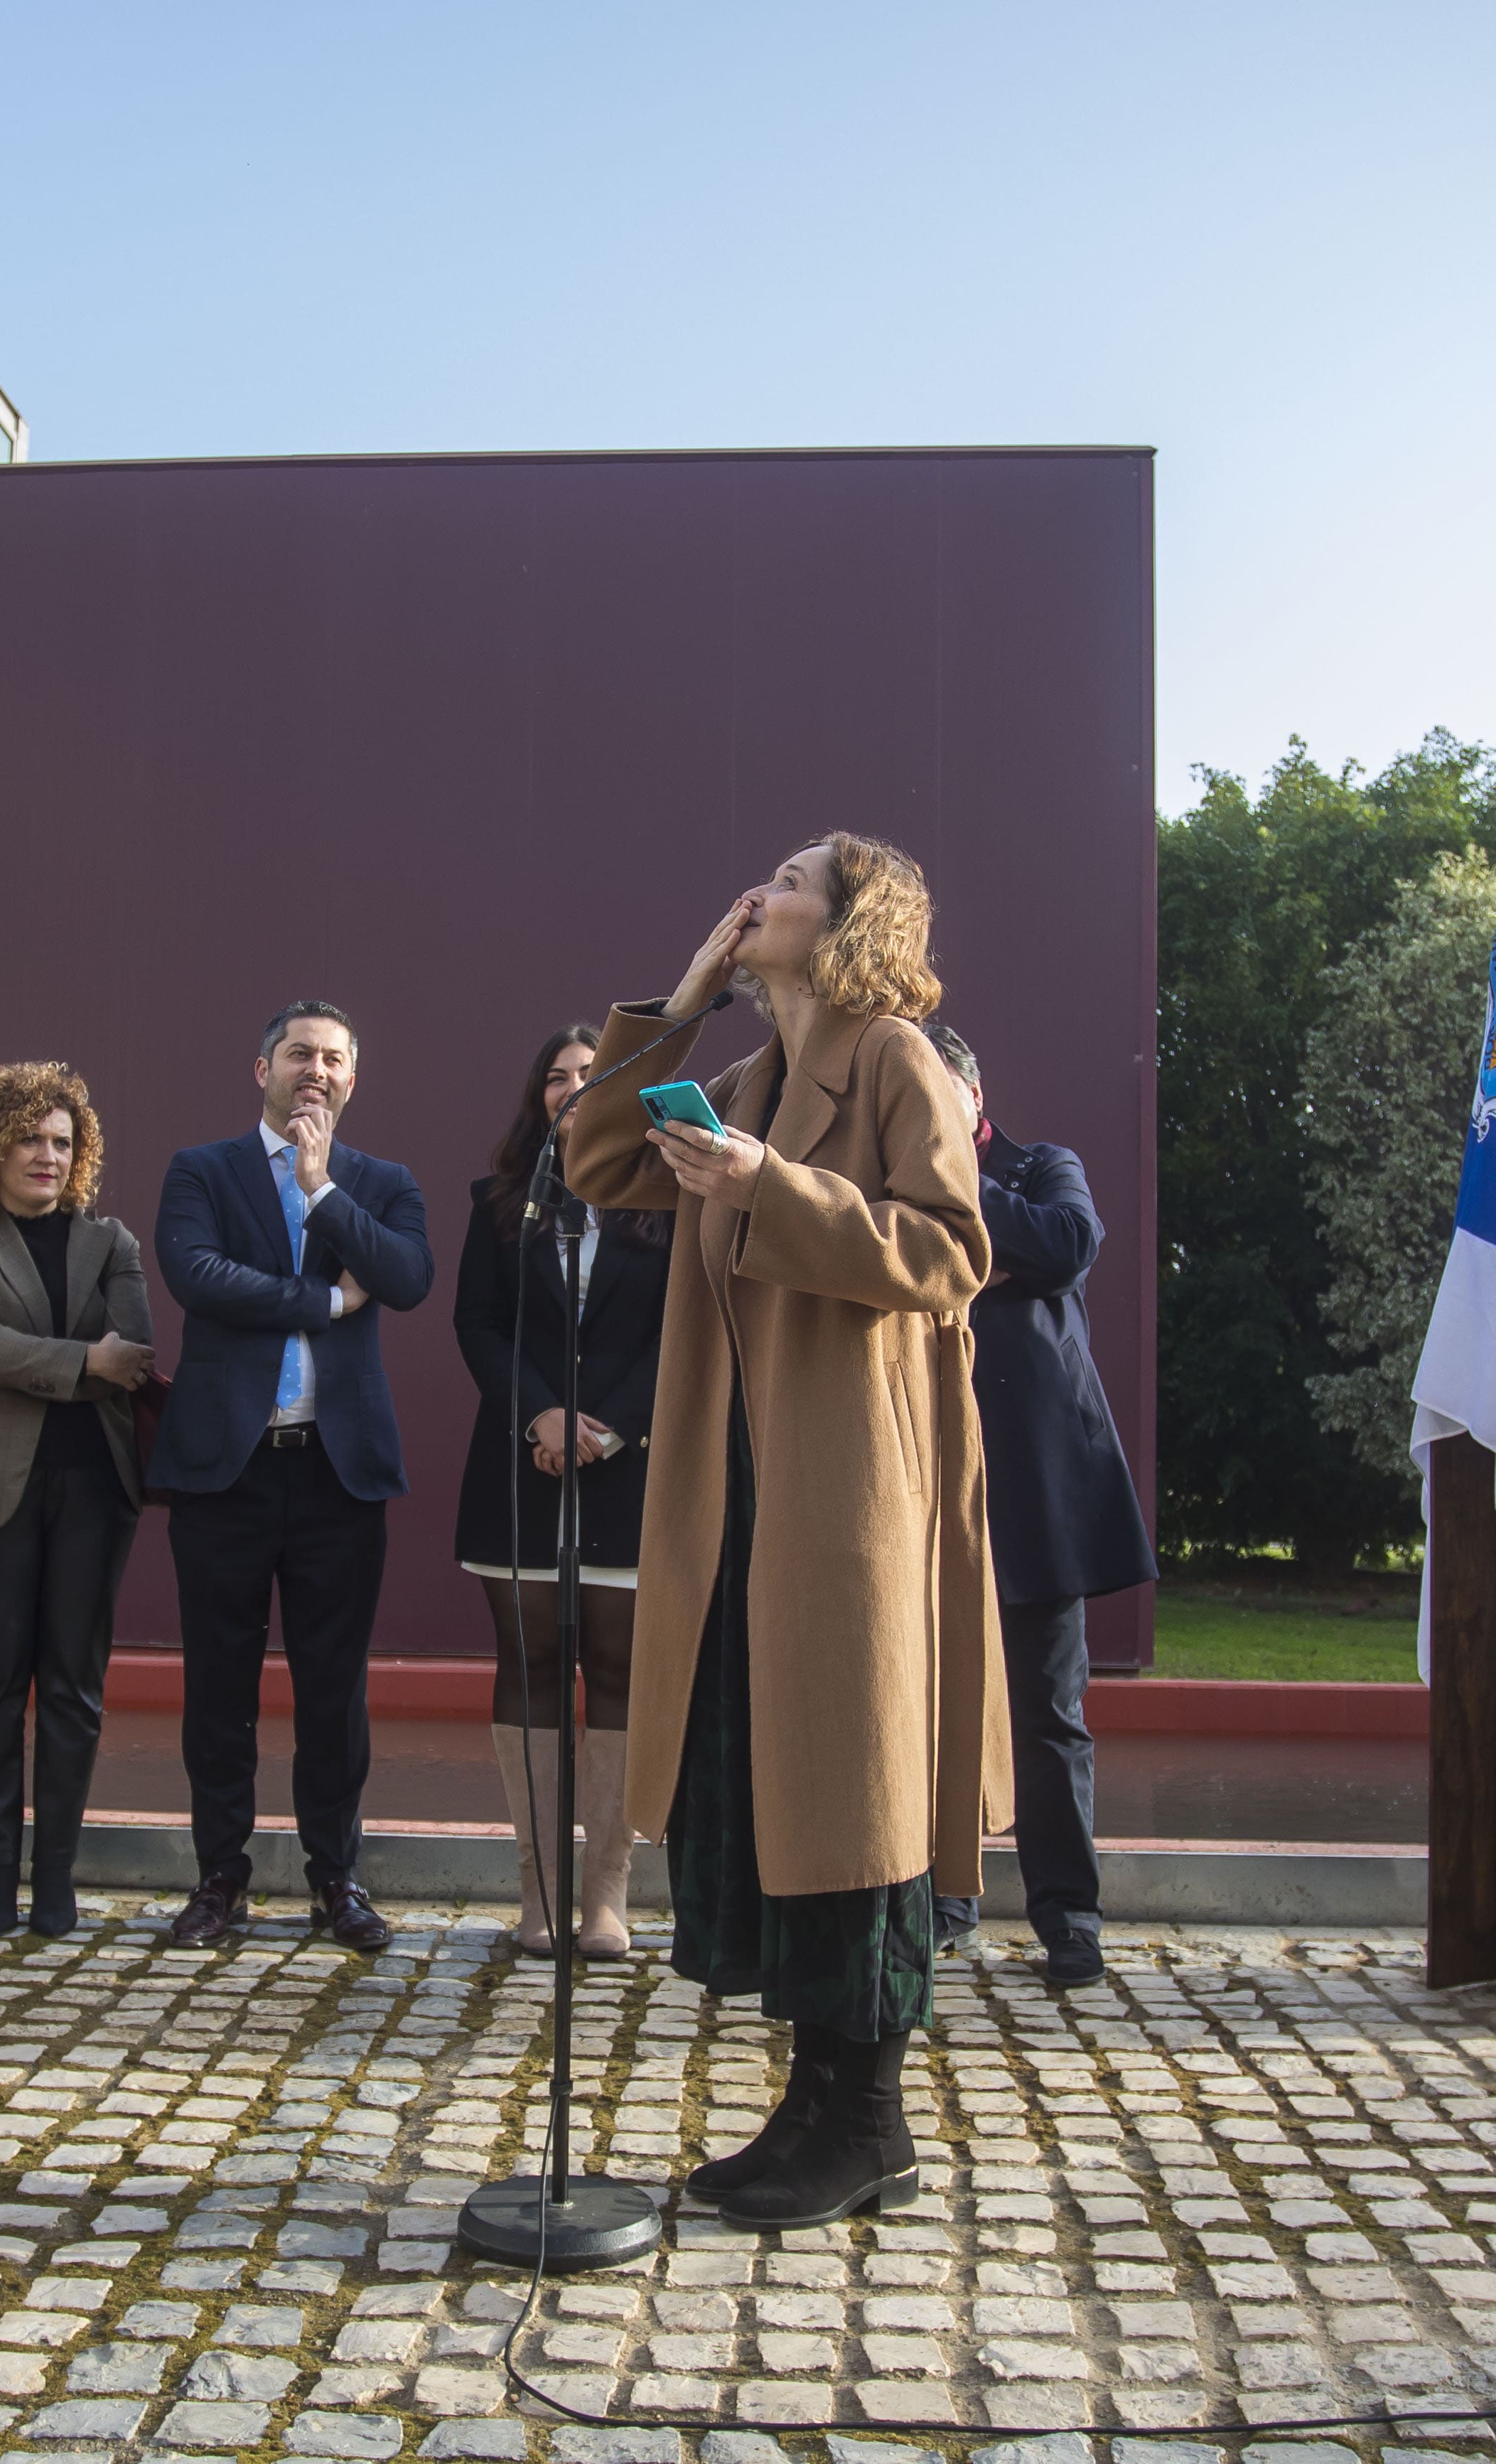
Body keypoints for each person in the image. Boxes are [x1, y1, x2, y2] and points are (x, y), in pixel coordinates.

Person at [566, 832, 1010, 2233]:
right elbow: (593, 1158)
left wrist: (770, 1183)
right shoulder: (747, 1072)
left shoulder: (897, 1058)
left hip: (858, 1488)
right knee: (780, 1791)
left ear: (850, 921)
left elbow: (949, 1249)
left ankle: (867, 2122)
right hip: (746, 1483)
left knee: (858, 1796)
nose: (762, 886)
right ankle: (816, 2110)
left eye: (795, 876)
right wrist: (683, 998)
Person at [147, 1002, 433, 1956]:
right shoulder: (202, 1169)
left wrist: (320, 1188)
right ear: (260, 1064)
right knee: (218, 1685)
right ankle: (220, 1875)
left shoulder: (382, 1184)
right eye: (300, 1053)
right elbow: (197, 1273)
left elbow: (406, 1277)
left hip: (336, 1476)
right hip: (225, 1471)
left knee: (332, 1688)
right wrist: (319, 1298)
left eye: (335, 1058)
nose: (316, 1069)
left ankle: (335, 1877)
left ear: (353, 1079)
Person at [924, 1024, 1156, 1986]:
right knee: (934, 1702)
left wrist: (952, 1195)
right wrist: (991, 1248)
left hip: (1036, 1485)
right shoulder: (886, 1184)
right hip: (929, 1476)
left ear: (973, 1099)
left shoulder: (1043, 1164)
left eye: (936, 1102)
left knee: (1049, 1708)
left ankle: (1068, 1912)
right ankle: (946, 1896)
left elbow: (1065, 1246)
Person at [0, 1062, 153, 1940]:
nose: (47, 1155)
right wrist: (78, 1360)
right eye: (30, 1138)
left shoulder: (113, 1241)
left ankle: (53, 1879)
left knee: (73, 1683)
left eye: (63, 1141)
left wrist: (31, 1348)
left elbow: (131, 1349)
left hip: (95, 1486)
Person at [454, 1025, 668, 1962]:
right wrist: (538, 1413)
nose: (575, 1086)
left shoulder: (668, 1196)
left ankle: (607, 1897)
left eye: (594, 1072)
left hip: (632, 1468)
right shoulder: (500, 1202)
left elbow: (685, 1327)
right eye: (558, 1075)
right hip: (520, 1467)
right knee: (531, 1661)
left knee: (618, 1668)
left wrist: (612, 1423)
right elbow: (479, 1321)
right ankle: (539, 1896)